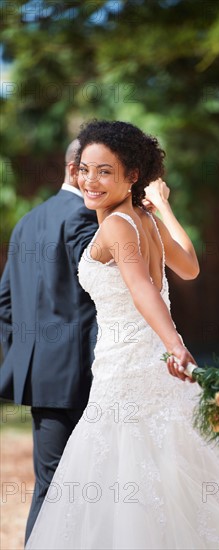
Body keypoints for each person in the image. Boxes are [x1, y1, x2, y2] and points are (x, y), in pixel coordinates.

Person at [25, 120, 219, 549]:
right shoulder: (143, 220)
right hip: (153, 365)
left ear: (133, 175)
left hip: (131, 370)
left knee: (121, 475)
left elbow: (142, 288)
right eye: (84, 169)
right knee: (171, 473)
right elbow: (189, 265)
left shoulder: (117, 225)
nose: (89, 180)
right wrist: (164, 208)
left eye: (104, 171)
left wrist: (176, 346)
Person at [0, 141, 99, 544]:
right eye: (97, 169)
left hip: (42, 378)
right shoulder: (84, 218)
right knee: (88, 484)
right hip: (81, 376)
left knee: (51, 484)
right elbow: (99, 296)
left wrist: (26, 357)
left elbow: (5, 302)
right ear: (77, 169)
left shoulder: (27, 220)